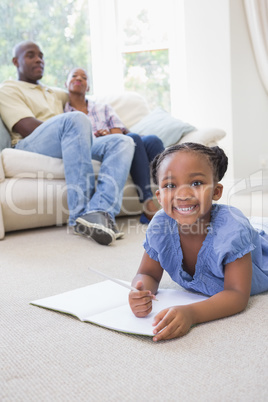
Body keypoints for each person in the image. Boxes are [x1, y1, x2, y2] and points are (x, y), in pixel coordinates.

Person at [128, 142, 268, 341]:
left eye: (196, 183)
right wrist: (140, 290)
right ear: (159, 196)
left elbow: (236, 294)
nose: (183, 195)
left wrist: (191, 313)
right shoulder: (160, 225)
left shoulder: (232, 229)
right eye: (170, 185)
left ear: (216, 191)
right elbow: (147, 273)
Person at [0, 41, 135, 246]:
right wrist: (71, 128)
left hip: (69, 141)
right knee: (76, 120)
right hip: (30, 144)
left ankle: (99, 211)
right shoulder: (8, 89)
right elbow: (25, 126)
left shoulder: (53, 92)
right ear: (15, 61)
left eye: (41, 55)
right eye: (31, 55)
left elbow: (79, 92)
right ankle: (79, 214)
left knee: (122, 141)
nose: (39, 59)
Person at [64, 67, 165, 223]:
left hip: (118, 141)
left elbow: (118, 133)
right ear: (66, 83)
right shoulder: (65, 114)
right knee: (133, 138)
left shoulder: (102, 107)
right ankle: (147, 202)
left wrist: (108, 135)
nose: (79, 78)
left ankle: (171, 199)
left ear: (88, 87)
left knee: (152, 141)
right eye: (74, 76)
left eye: (84, 77)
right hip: (93, 146)